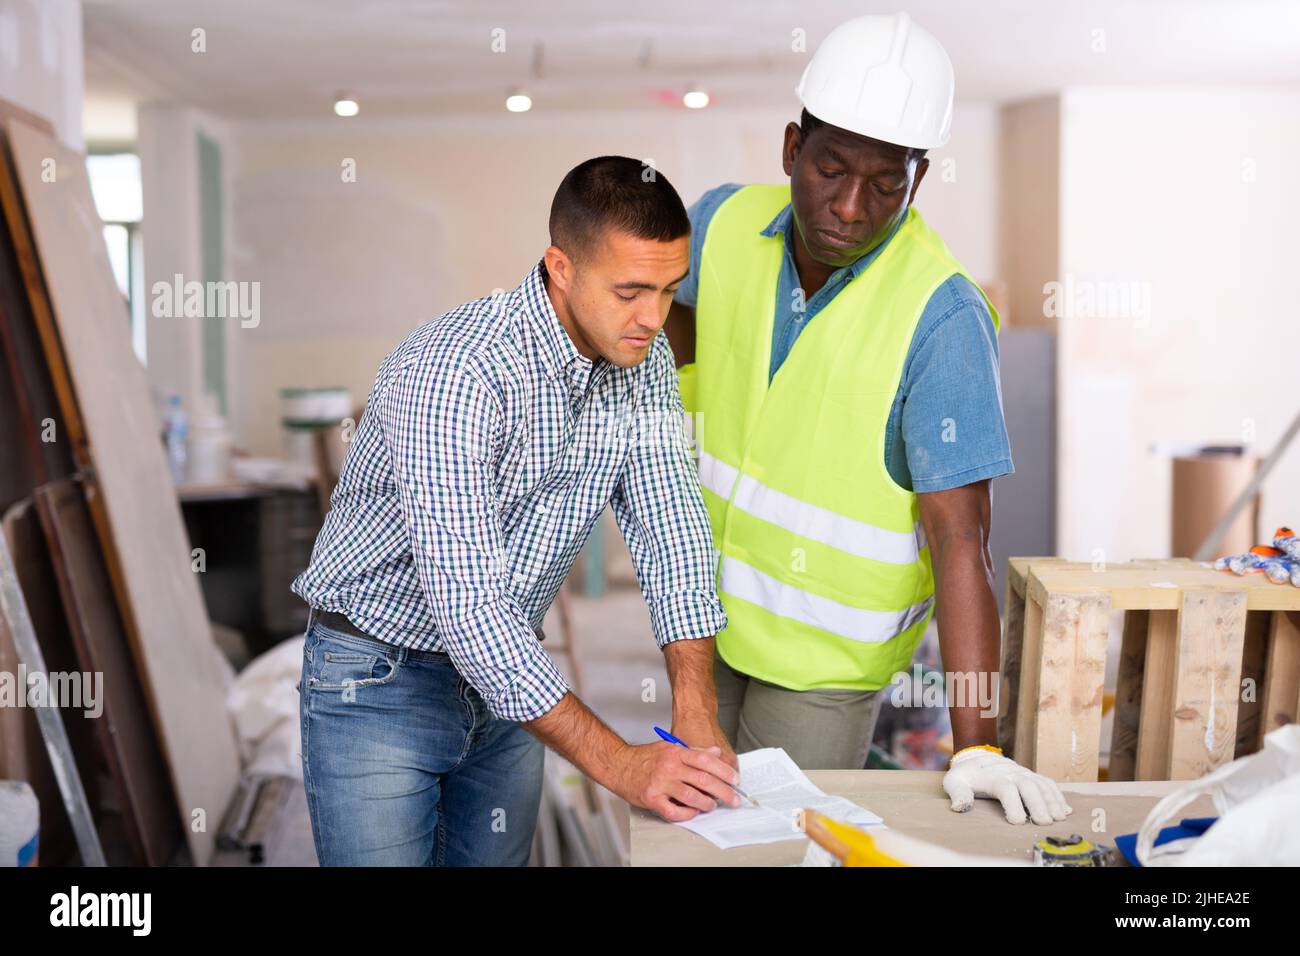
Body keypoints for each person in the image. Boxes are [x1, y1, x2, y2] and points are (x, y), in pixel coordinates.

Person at [664, 13, 1071, 826]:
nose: (851, 207)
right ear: (791, 149)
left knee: (770, 843)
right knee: (695, 835)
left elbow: (964, 542)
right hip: (700, 621)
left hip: (823, 663)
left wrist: (978, 742)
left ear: (919, 178)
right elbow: (643, 381)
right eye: (831, 169)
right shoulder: (719, 227)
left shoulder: (942, 316)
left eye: (888, 183)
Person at [293, 155, 742, 866]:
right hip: (377, 680)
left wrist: (696, 700)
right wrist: (622, 764)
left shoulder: (643, 360)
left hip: (511, 679)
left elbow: (671, 525)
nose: (653, 318)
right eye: (630, 290)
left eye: (667, 289)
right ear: (560, 268)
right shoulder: (456, 372)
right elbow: (469, 609)